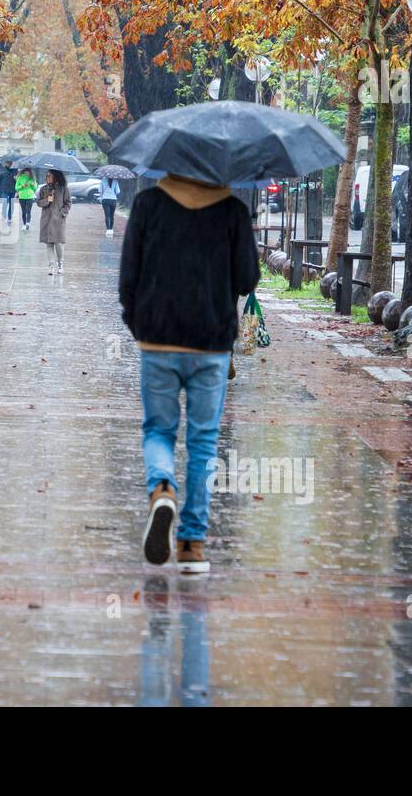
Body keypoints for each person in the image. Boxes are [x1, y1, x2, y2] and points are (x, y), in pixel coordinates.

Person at [118, 173, 259, 573]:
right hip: (211, 344)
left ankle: (162, 488)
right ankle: (192, 545)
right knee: (203, 442)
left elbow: (128, 278)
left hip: (158, 342)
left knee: (158, 431)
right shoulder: (233, 210)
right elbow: (248, 279)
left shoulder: (147, 205)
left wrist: (139, 326)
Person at [36, 169, 71, 274]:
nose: (47, 178)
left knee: (59, 243)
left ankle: (60, 263)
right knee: (49, 243)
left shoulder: (63, 189)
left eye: (49, 176)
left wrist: (62, 213)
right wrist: (47, 201)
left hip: (58, 220)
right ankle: (51, 266)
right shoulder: (44, 189)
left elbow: (68, 203)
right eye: (46, 176)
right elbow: (38, 202)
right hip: (46, 220)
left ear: (55, 177)